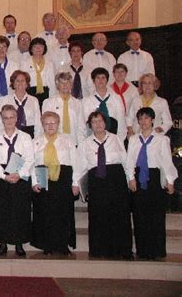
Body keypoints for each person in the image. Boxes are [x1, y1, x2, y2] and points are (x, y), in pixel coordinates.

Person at [76, 111, 132, 259]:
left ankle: (122, 250)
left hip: (116, 180)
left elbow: (125, 161)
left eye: (100, 121)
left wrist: (130, 179)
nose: (98, 124)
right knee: (98, 216)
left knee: (119, 215)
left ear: (105, 123)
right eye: (94, 122)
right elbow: (80, 167)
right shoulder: (85, 144)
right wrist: (79, 187)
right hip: (97, 182)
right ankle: (100, 250)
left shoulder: (115, 139)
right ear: (90, 125)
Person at [127, 107, 177, 260]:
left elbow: (167, 161)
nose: (143, 122)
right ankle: (142, 249)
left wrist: (170, 180)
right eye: (140, 119)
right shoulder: (134, 139)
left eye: (146, 118)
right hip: (138, 177)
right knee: (140, 215)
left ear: (153, 120)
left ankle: (156, 250)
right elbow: (130, 160)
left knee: (156, 215)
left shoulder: (162, 139)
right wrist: (131, 177)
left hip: (154, 178)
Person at [0, 105, 34, 257]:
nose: (9, 120)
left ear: (16, 118)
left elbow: (30, 159)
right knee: (2, 211)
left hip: (20, 177)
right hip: (2, 178)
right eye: (6, 117)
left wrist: (19, 174)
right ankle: (2, 243)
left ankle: (19, 243)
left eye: (12, 117)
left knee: (20, 210)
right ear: (2, 119)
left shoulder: (26, 137)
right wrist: (4, 175)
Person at [31, 111, 79, 255]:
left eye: (53, 123)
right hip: (42, 175)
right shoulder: (36, 141)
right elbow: (31, 163)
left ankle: (63, 244)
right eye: (47, 123)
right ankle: (47, 245)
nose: (50, 125)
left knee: (63, 212)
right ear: (42, 124)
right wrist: (34, 182)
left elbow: (76, 162)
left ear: (58, 124)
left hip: (63, 178)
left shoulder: (68, 141)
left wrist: (75, 182)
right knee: (45, 212)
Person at [82, 67, 127, 142]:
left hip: (113, 139)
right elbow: (85, 125)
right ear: (93, 81)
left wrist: (119, 141)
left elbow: (121, 122)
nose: (100, 80)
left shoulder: (116, 98)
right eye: (98, 78)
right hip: (93, 140)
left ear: (107, 80)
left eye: (103, 77)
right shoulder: (86, 101)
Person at [42, 72, 86, 146]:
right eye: (62, 83)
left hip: (73, 141)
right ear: (57, 85)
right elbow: (44, 125)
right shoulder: (48, 102)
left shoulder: (77, 103)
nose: (65, 85)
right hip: (54, 143)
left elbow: (81, 126)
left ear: (71, 85)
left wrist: (81, 145)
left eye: (68, 83)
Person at [0, 70, 42, 139]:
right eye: (17, 81)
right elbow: (0, 122)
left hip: (29, 134)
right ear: (13, 84)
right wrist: (2, 138)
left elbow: (38, 124)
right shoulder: (4, 100)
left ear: (26, 84)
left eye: (23, 81)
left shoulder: (34, 100)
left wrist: (36, 139)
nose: (20, 83)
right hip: (10, 133)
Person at [21, 38, 56, 108]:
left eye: (41, 46)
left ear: (44, 48)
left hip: (45, 92)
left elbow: (52, 82)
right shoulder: (24, 63)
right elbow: (23, 81)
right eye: (35, 46)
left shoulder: (50, 63)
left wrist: (52, 97)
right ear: (31, 49)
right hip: (30, 92)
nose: (38, 48)